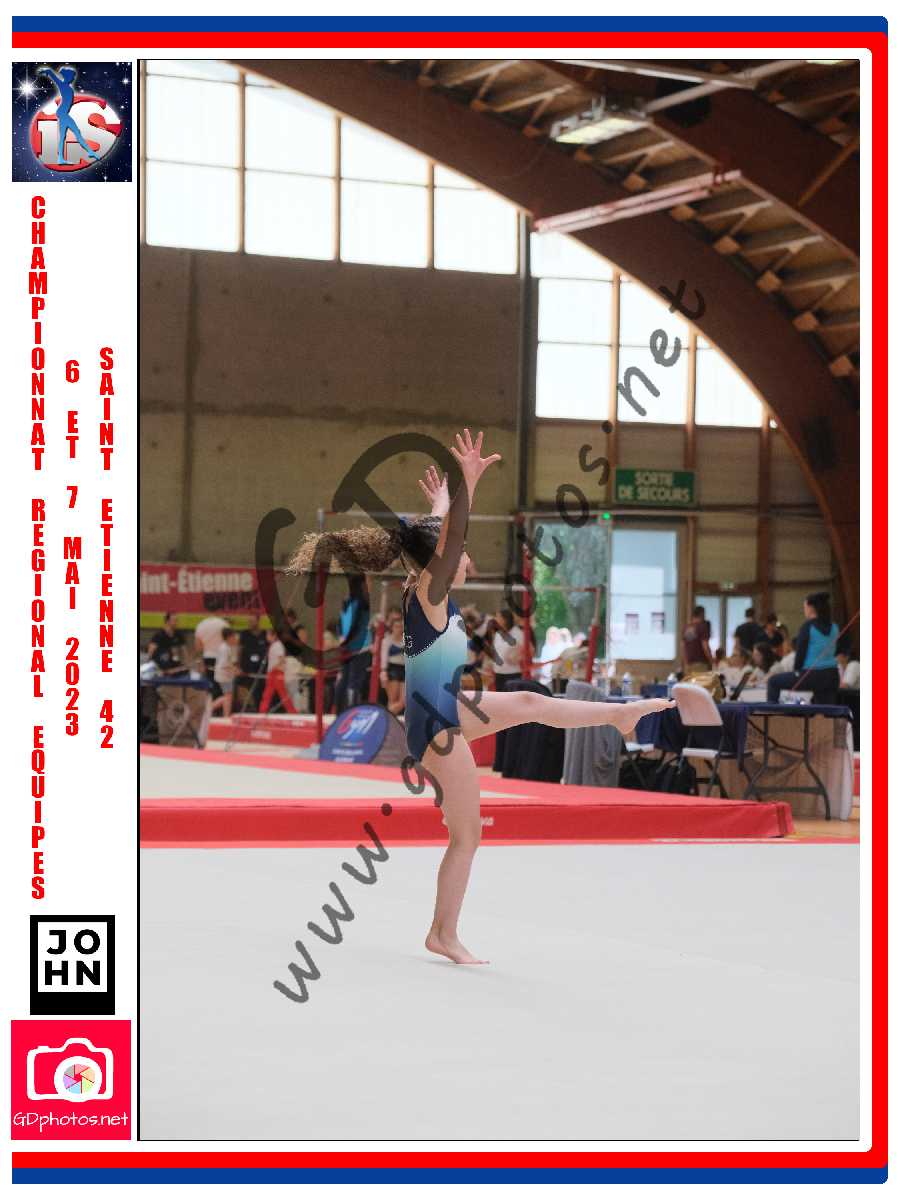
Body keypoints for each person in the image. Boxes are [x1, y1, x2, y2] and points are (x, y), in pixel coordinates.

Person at [288, 429, 674, 966]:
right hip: (437, 727)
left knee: (531, 702)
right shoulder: (430, 594)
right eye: (460, 551)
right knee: (467, 835)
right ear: (442, 559)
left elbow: (437, 539)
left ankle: (621, 715)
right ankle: (442, 933)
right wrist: (465, 486)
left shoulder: (428, 592)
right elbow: (447, 541)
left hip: (446, 709)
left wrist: (441, 502)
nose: (466, 556)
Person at [766, 592, 841, 704]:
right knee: (825, 710)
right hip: (832, 676)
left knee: (773, 682)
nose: (804, 610)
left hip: (811, 675)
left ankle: (772, 713)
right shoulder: (835, 627)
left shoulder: (808, 627)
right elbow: (836, 650)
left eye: (805, 607)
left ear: (811, 608)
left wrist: (797, 672)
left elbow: (800, 654)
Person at [334, 575, 372, 713]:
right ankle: (351, 712)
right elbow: (355, 624)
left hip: (347, 646)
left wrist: (341, 638)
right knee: (354, 682)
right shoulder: (362, 603)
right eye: (367, 583)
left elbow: (339, 623)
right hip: (359, 647)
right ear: (362, 586)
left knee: (344, 680)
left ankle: (340, 712)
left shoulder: (346, 602)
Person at [259, 627, 298, 714]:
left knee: (280, 693)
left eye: (268, 634)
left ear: (273, 635)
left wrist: (274, 668)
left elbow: (281, 659)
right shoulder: (274, 645)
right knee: (269, 693)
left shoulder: (278, 645)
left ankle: (292, 711)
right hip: (273, 672)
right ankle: (263, 710)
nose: (266, 637)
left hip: (276, 672)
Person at [237, 613, 268, 710]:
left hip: (261, 667)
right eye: (249, 621)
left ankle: (260, 708)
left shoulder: (265, 634)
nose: (250, 623)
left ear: (258, 621)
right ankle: (247, 707)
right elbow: (239, 650)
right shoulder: (244, 634)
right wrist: (238, 665)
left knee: (261, 689)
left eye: (252, 621)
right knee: (245, 687)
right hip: (247, 667)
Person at [194, 606, 230, 685]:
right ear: (219, 611)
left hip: (208, 658)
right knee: (222, 685)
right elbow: (230, 643)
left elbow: (198, 647)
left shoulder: (201, 625)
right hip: (222, 658)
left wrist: (199, 663)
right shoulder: (224, 624)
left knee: (212, 685)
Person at [379, 615, 407, 715]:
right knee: (392, 699)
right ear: (392, 628)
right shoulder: (387, 640)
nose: (399, 629)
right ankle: (386, 719)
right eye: (396, 627)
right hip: (392, 669)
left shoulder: (407, 640)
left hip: (405, 669)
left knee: (403, 701)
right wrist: (383, 672)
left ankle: (385, 716)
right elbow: (384, 657)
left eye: (401, 627)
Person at [491, 608, 524, 692]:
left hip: (512, 673)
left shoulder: (518, 633)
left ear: (505, 620)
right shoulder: (498, 633)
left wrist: (517, 657)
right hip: (498, 672)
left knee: (512, 698)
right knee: (500, 698)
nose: (495, 619)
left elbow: (529, 650)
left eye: (497, 617)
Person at [211, 628, 239, 716]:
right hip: (224, 676)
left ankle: (225, 716)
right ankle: (223, 715)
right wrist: (234, 669)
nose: (235, 638)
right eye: (233, 636)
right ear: (229, 637)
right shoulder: (224, 648)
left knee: (228, 697)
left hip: (226, 676)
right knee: (227, 697)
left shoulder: (227, 647)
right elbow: (223, 664)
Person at [682, 605, 712, 676]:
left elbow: (683, 647)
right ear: (702, 614)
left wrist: (685, 663)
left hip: (688, 664)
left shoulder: (686, 628)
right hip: (700, 664)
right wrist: (711, 660)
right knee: (700, 682)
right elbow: (705, 646)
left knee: (689, 683)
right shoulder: (702, 627)